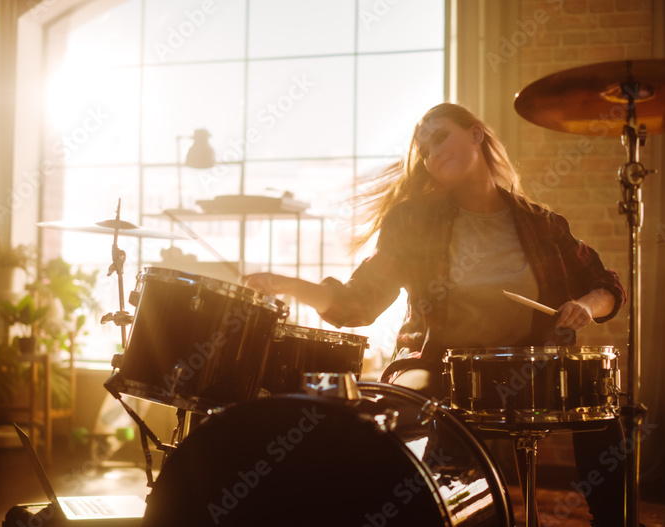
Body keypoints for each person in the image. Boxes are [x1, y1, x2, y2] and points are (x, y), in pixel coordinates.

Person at [245, 102, 628, 525]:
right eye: (424, 149)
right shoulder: (414, 223)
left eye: (440, 136)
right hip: (438, 368)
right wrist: (289, 286)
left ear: (476, 135)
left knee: (597, 402)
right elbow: (358, 304)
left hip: (525, 368)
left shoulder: (542, 224)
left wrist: (585, 306)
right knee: (426, 413)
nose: (432, 153)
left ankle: (616, 522)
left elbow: (607, 285)